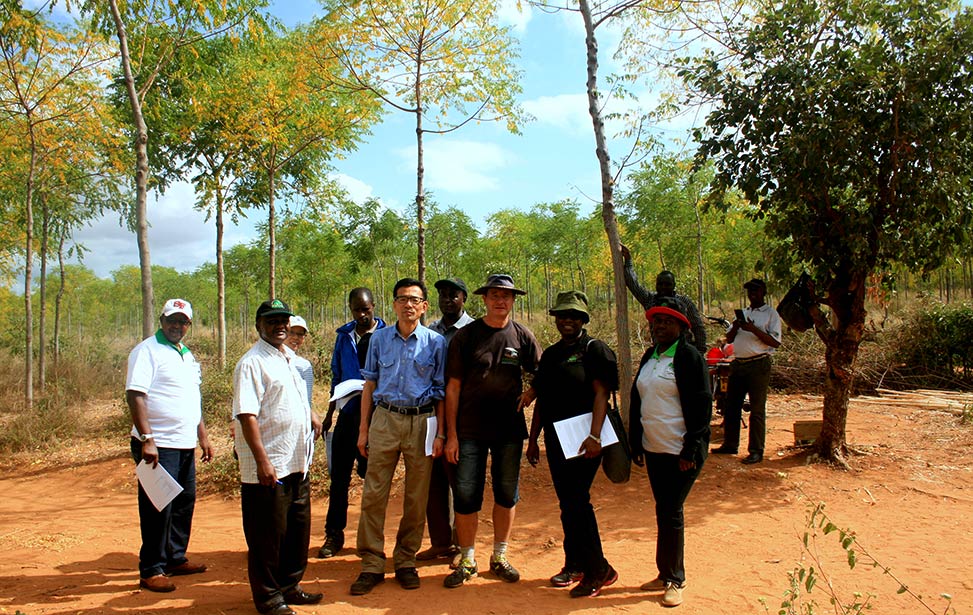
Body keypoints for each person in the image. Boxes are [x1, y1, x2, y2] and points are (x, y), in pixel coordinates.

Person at [349, 278, 447, 595]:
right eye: (402, 299)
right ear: (393, 304)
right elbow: (370, 385)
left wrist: (441, 433)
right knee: (374, 494)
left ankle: (406, 560)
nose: (408, 305)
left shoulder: (436, 342)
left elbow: (441, 392)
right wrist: (364, 429)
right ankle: (372, 563)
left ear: (424, 306)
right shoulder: (379, 340)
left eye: (414, 299)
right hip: (385, 420)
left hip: (422, 422)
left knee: (416, 497)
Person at [443, 274, 542, 588]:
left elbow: (542, 372)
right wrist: (451, 434)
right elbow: (453, 387)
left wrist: (530, 394)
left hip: (509, 432)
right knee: (466, 495)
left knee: (506, 494)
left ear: (513, 300)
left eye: (507, 296)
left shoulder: (522, 336)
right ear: (484, 299)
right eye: (495, 295)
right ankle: (468, 558)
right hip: (469, 430)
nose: (501, 301)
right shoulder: (466, 337)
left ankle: (499, 556)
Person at [233, 299, 324, 615]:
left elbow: (294, 399)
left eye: (283, 320)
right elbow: (247, 415)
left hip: (297, 462)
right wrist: (262, 461)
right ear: (259, 325)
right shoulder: (252, 363)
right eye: (272, 321)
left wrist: (311, 415)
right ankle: (270, 598)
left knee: (296, 532)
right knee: (267, 536)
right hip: (270, 465)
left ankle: (289, 586)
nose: (280, 325)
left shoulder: (288, 358)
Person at [526, 291, 619, 598]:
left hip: (585, 440)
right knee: (568, 504)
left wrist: (594, 436)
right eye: (562, 316)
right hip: (556, 439)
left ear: (583, 320)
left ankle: (598, 570)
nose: (567, 320)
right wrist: (533, 440)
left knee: (578, 502)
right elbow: (541, 396)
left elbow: (600, 395)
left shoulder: (595, 351)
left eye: (574, 316)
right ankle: (575, 563)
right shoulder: (551, 355)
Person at [126, 298, 214, 593]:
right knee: (157, 506)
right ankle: (151, 568)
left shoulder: (186, 354)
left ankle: (175, 557)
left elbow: (193, 399)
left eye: (183, 322)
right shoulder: (147, 351)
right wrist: (147, 439)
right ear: (161, 321)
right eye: (172, 320)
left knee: (183, 503)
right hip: (157, 444)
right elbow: (136, 395)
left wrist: (203, 436)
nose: (177, 326)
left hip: (184, 442)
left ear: (189, 325)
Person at [629, 297, 712, 608]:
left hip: (681, 450)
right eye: (657, 321)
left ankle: (675, 579)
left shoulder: (690, 358)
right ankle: (664, 572)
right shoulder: (650, 356)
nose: (660, 326)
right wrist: (636, 443)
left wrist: (691, 446)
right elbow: (637, 400)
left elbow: (702, 404)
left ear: (682, 327)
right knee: (663, 509)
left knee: (672, 510)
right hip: (654, 447)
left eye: (667, 321)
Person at [318, 288, 386, 559]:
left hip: (377, 417)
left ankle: (370, 539)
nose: (361, 314)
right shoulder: (343, 336)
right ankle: (334, 535)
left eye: (366, 309)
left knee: (373, 479)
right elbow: (336, 375)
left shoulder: (387, 335)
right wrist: (329, 413)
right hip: (347, 415)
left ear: (374, 307)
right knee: (339, 480)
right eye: (356, 310)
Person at [417, 277, 475, 563]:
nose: (448, 300)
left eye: (454, 295)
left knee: (461, 482)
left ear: (464, 298)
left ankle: (463, 546)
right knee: (434, 481)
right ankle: (440, 542)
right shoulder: (430, 332)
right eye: (443, 295)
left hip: (464, 418)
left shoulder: (475, 330)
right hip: (432, 416)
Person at [711, 278, 782, 465]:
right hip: (739, 364)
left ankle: (756, 450)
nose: (752, 294)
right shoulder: (744, 313)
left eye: (756, 291)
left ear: (763, 292)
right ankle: (730, 444)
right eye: (750, 291)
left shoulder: (770, 314)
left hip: (759, 364)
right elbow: (730, 339)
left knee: (757, 409)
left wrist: (753, 329)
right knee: (731, 406)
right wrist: (736, 325)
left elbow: (775, 342)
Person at [620, 244, 708, 353]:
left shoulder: (684, 302)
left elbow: (698, 327)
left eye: (667, 284)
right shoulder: (650, 300)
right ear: (656, 285)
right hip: (660, 352)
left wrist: (700, 352)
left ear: (674, 285)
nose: (663, 287)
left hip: (683, 351)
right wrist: (628, 260)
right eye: (660, 284)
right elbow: (633, 284)